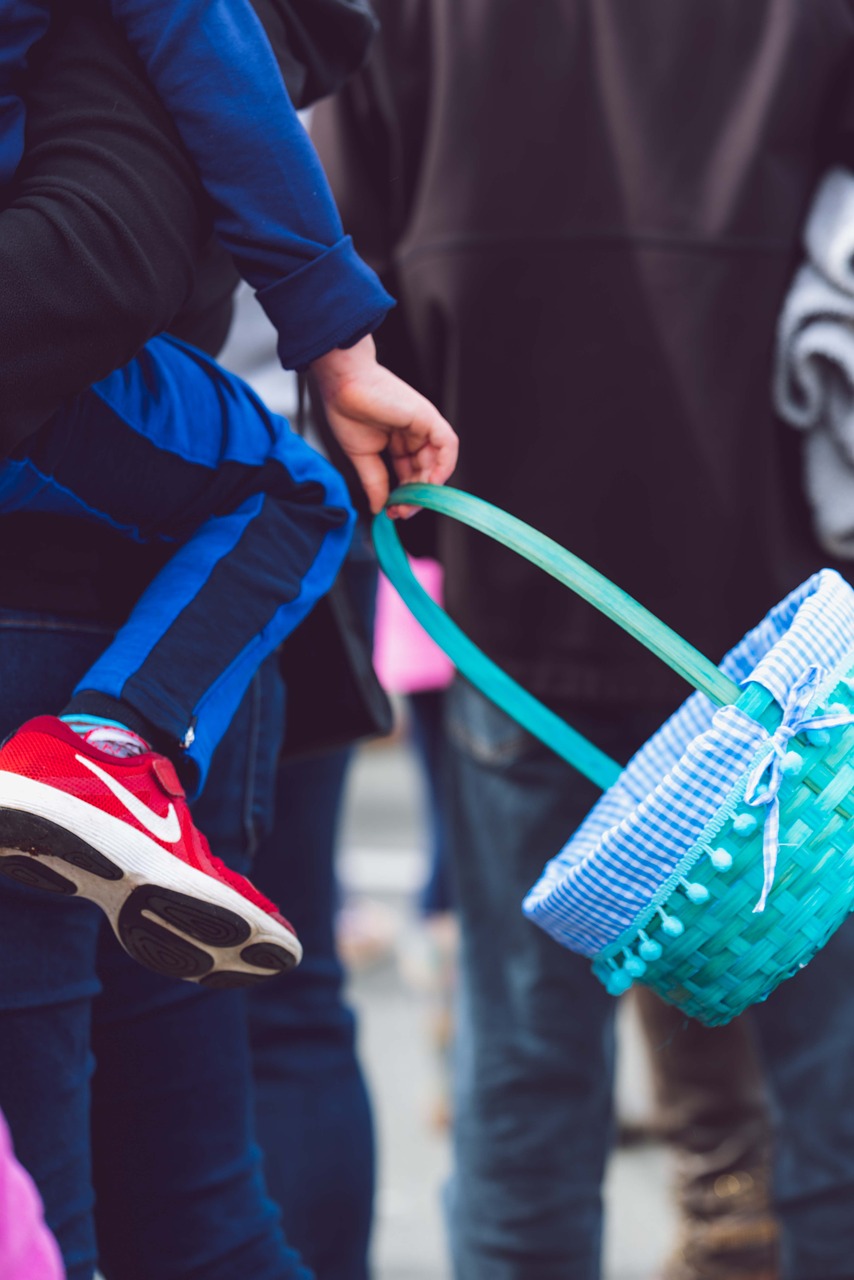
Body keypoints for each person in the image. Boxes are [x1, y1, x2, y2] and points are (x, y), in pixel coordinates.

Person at [308, 3, 854, 1277]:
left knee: (525, 1077)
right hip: (786, 624)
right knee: (830, 1075)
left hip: (519, 587)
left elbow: (337, 264)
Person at [0, 5, 449, 1276]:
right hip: (80, 513)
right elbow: (205, 56)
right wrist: (335, 333)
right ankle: (106, 742)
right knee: (296, 486)